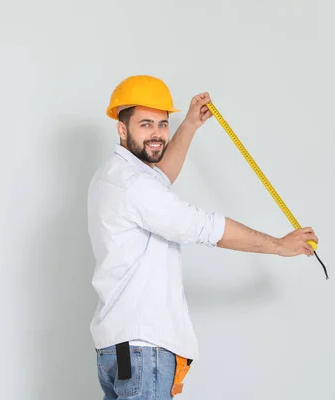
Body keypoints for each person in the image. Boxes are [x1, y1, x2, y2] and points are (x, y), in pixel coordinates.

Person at [87, 75, 319, 399]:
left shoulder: (114, 175)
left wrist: (190, 126)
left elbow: (161, 176)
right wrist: (279, 245)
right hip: (144, 350)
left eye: (162, 124)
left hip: (119, 348)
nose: (156, 134)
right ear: (122, 129)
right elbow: (204, 226)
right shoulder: (135, 187)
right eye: (145, 124)